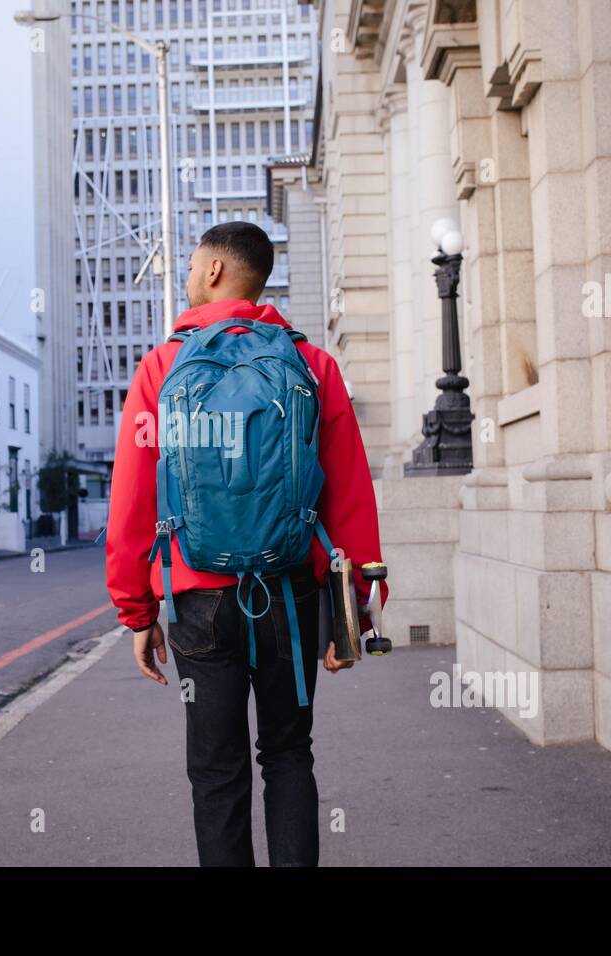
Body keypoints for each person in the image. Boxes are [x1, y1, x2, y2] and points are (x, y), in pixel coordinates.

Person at [105, 221, 386, 867]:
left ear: (212, 271)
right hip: (292, 595)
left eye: (190, 265)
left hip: (197, 601)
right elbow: (347, 494)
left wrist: (136, 613)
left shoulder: (162, 366)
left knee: (216, 771)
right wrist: (357, 610)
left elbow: (132, 503)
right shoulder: (313, 365)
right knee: (289, 756)